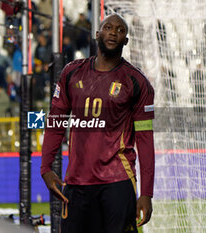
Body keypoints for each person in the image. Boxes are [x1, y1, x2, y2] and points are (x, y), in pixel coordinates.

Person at [41, 14, 155, 233]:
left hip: (118, 182)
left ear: (126, 41)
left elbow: (145, 139)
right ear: (97, 34)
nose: (113, 32)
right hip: (76, 181)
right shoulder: (71, 73)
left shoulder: (137, 82)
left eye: (120, 30)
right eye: (108, 27)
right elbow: (55, 123)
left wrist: (147, 193)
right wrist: (46, 168)